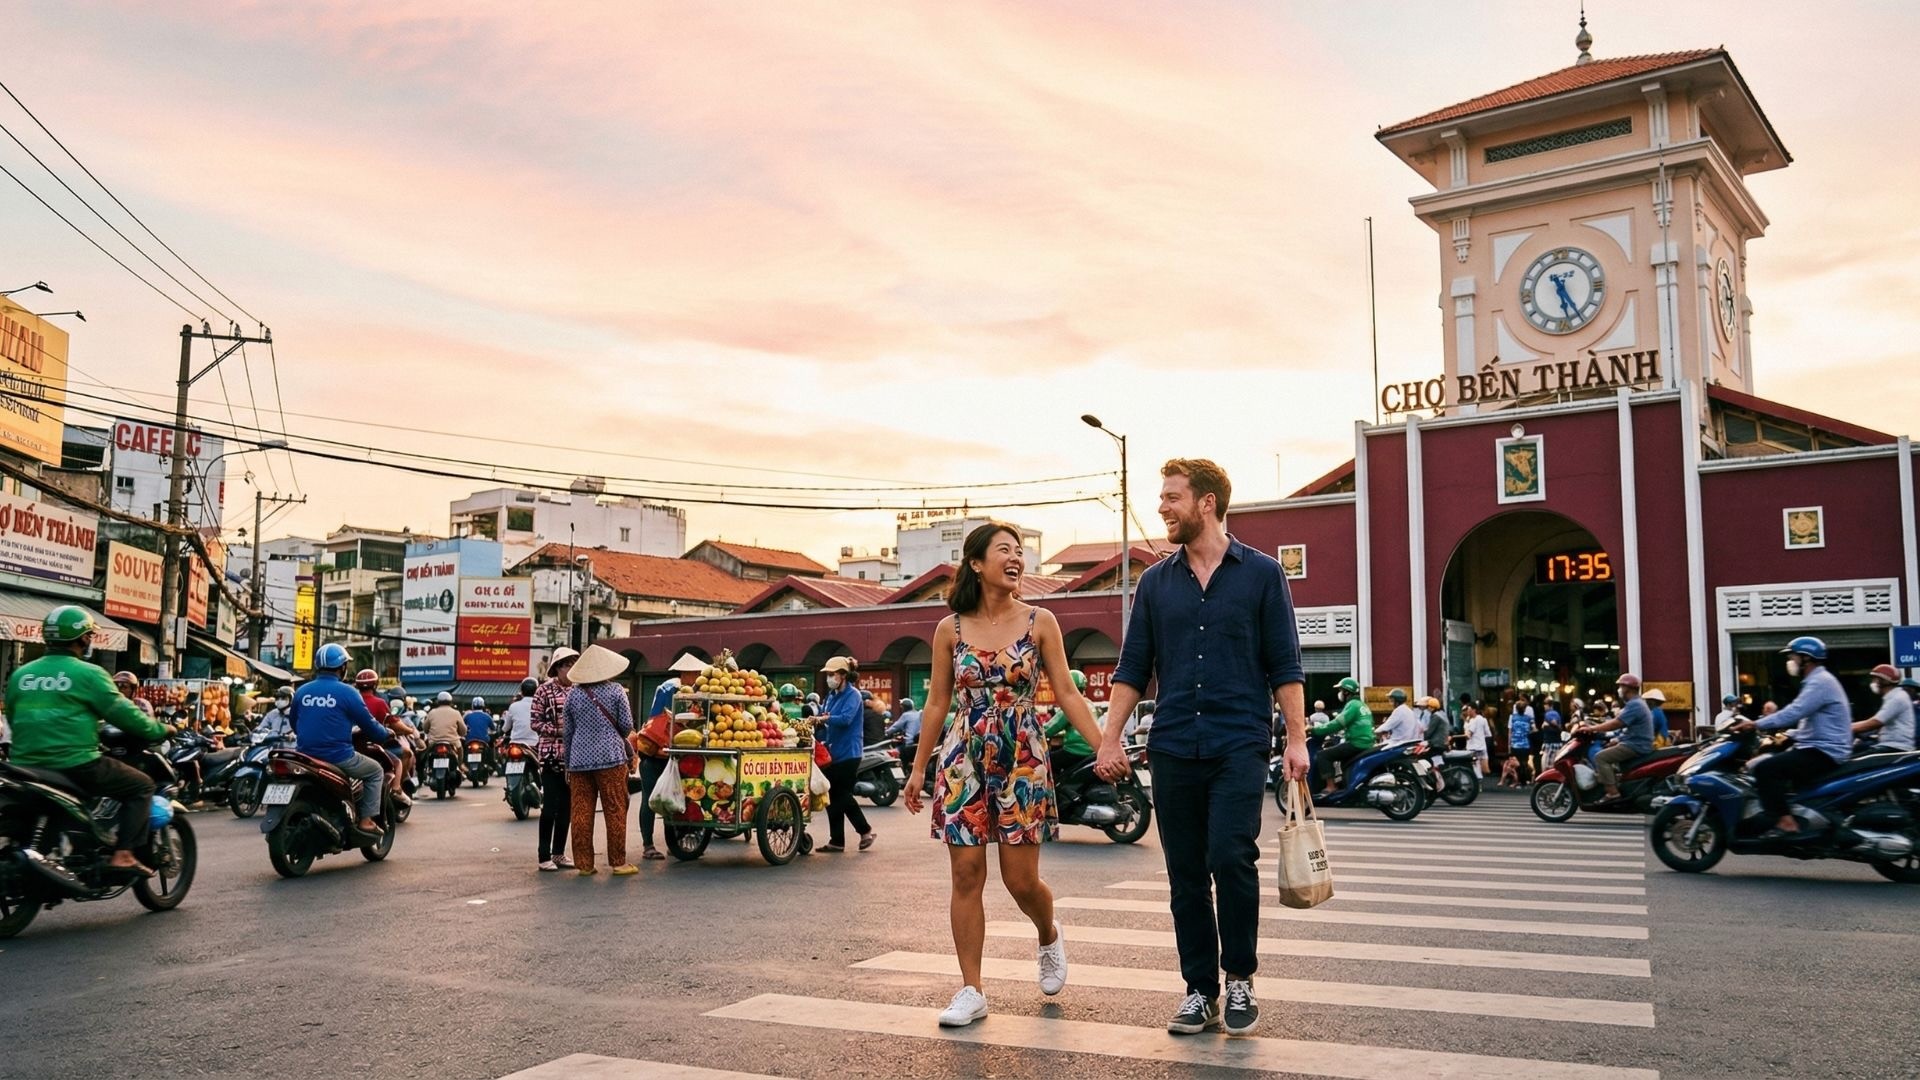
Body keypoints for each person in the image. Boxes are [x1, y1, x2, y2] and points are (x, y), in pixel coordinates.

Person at [1093, 459, 1306, 1038]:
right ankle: (1199, 990)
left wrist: (1296, 739)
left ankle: (1239, 977)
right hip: (1172, 745)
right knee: (1185, 873)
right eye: (1162, 497)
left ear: (1206, 503)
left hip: (1239, 741)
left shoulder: (1262, 575)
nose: (1161, 506)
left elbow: (1285, 663)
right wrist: (1110, 735)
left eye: (1170, 497)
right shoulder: (1156, 583)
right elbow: (1133, 667)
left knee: (1230, 857)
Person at [902, 522, 1107, 1029]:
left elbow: (1067, 692)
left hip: (1021, 755)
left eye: (1020, 552)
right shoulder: (949, 629)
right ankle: (971, 989)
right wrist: (917, 767)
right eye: (1004, 551)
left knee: (1021, 880)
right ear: (976, 563)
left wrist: (1106, 747)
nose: (1016, 559)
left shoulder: (1041, 621)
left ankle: (1048, 933)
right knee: (966, 873)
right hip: (963, 756)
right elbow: (936, 702)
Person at [5, 605, 171, 876]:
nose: (90, 640)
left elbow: (13, 716)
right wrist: (160, 730)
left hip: (24, 763)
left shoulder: (22, 675)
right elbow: (126, 715)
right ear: (83, 638)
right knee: (142, 785)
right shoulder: (90, 674)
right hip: (75, 763)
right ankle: (123, 854)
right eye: (89, 636)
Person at [1726, 637, 1851, 839]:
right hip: (1820, 747)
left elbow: (1794, 712)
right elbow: (1809, 722)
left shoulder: (1820, 682)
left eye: (1792, 656)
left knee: (1766, 769)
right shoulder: (1817, 681)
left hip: (1824, 752)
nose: (1790, 661)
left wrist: (1755, 723)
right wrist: (1789, 735)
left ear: (1806, 659)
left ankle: (1784, 820)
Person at [291, 642, 392, 837]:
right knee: (375, 771)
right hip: (338, 756)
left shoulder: (302, 691)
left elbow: (295, 723)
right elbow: (369, 725)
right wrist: (385, 734)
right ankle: (366, 821)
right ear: (342, 667)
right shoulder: (348, 692)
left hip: (303, 755)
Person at [562, 645, 637, 876]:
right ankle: (618, 862)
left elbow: (567, 732)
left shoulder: (573, 694)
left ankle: (584, 865)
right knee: (615, 809)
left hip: (578, 760)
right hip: (610, 759)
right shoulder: (616, 691)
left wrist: (568, 763)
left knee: (581, 812)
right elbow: (626, 726)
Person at [818, 656, 876, 853]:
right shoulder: (831, 695)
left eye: (832, 674)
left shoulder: (854, 695)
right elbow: (825, 716)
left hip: (850, 752)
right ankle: (837, 841)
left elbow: (845, 719)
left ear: (843, 675)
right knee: (831, 795)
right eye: (828, 675)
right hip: (833, 751)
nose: (829, 678)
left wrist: (824, 718)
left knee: (841, 795)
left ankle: (865, 830)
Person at [530, 648, 579, 871]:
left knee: (567, 809)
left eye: (573, 665)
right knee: (550, 807)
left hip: (574, 757)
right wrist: (558, 730)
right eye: (567, 665)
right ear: (558, 668)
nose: (570, 670)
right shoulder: (544, 691)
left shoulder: (579, 690)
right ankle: (544, 856)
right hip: (551, 755)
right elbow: (535, 722)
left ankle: (559, 853)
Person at [1584, 674, 1655, 802]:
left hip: (1636, 745)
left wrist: (1591, 729)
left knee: (1600, 757)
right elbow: (1628, 729)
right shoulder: (1637, 703)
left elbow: (1616, 723)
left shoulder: (1635, 705)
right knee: (1608, 752)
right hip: (1635, 742)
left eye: (1621, 686)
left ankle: (1612, 793)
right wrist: (1617, 740)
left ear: (1628, 688)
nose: (1619, 690)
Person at [633, 677, 679, 862]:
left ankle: (651, 845)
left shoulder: (664, 689)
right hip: (660, 757)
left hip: (652, 756)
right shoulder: (678, 690)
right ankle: (654, 845)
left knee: (653, 798)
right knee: (663, 799)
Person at [1309, 678, 1373, 793]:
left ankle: (1330, 786)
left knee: (1323, 755)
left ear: (1346, 692)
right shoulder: (1362, 705)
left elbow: (1337, 724)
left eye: (1340, 690)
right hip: (1366, 742)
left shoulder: (1352, 705)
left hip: (1356, 743)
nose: (1339, 693)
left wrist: (1314, 730)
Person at [1042, 676, 1097, 779]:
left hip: (1074, 750)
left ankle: (1054, 790)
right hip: (1090, 751)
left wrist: (1035, 731)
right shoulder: (1090, 704)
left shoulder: (1070, 705)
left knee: (1046, 761)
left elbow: (1050, 728)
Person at [1852, 664, 1915, 752]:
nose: (1873, 682)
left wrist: (1847, 728)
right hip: (1889, 744)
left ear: (1884, 681)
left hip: (1895, 747)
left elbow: (1875, 722)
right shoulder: (1892, 697)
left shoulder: (1897, 698)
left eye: (1875, 679)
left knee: (1853, 762)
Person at [422, 691, 468, 790]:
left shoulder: (432, 712)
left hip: (434, 742)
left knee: (426, 754)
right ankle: (459, 766)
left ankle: (426, 769)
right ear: (450, 701)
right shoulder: (456, 713)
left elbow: (425, 728)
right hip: (452, 742)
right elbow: (463, 731)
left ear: (438, 701)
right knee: (460, 750)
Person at [506, 678, 539, 748]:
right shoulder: (540, 706)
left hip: (515, 744)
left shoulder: (513, 706)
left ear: (522, 691)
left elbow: (506, 727)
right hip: (534, 744)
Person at [1463, 703, 1492, 777]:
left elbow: (1468, 735)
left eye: (1469, 710)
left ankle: (1478, 783)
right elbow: (1488, 733)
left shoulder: (1473, 720)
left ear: (1474, 710)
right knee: (1482, 768)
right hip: (1482, 747)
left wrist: (1466, 724)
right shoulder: (1483, 719)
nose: (1468, 712)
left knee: (1475, 767)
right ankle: (1480, 783)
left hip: (1473, 748)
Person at [1507, 702, 1533, 784]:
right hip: (1525, 743)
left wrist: (1509, 744)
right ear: (1525, 709)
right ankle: (1524, 780)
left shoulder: (1512, 718)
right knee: (1524, 762)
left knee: (1515, 763)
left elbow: (1510, 732)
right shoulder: (1528, 718)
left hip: (1515, 743)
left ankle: (1515, 780)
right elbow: (1533, 729)